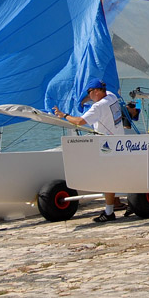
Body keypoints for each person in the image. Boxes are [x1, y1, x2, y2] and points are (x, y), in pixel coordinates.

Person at [53, 78, 125, 222]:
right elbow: (92, 98)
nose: (89, 95)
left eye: (90, 92)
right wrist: (83, 101)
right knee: (112, 176)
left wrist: (64, 115)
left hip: (107, 146)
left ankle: (109, 212)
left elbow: (79, 122)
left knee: (107, 179)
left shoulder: (98, 107)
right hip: (119, 142)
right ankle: (116, 203)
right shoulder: (111, 96)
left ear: (97, 91)